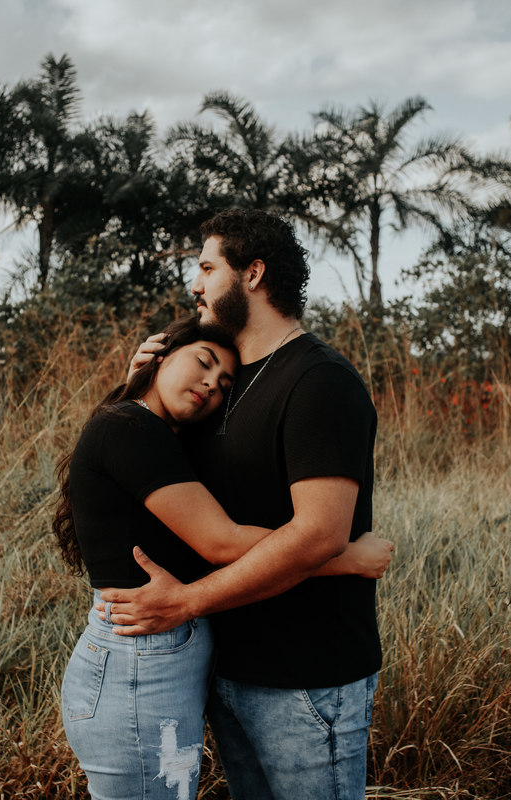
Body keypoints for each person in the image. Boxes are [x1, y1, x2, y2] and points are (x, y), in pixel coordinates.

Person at [98, 209, 383, 800]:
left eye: (207, 268)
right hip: (225, 672)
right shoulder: (221, 383)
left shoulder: (320, 381)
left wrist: (187, 602)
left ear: (252, 274)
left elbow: (321, 534)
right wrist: (143, 385)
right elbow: (151, 477)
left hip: (306, 680)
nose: (195, 284)